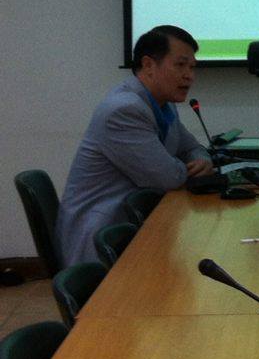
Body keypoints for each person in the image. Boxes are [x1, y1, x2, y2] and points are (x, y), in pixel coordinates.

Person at [56, 25, 214, 267]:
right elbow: (166, 178)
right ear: (148, 65)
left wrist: (203, 160)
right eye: (181, 65)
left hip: (138, 225)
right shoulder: (123, 110)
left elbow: (193, 148)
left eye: (192, 67)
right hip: (103, 236)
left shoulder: (164, 105)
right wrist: (189, 168)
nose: (189, 75)